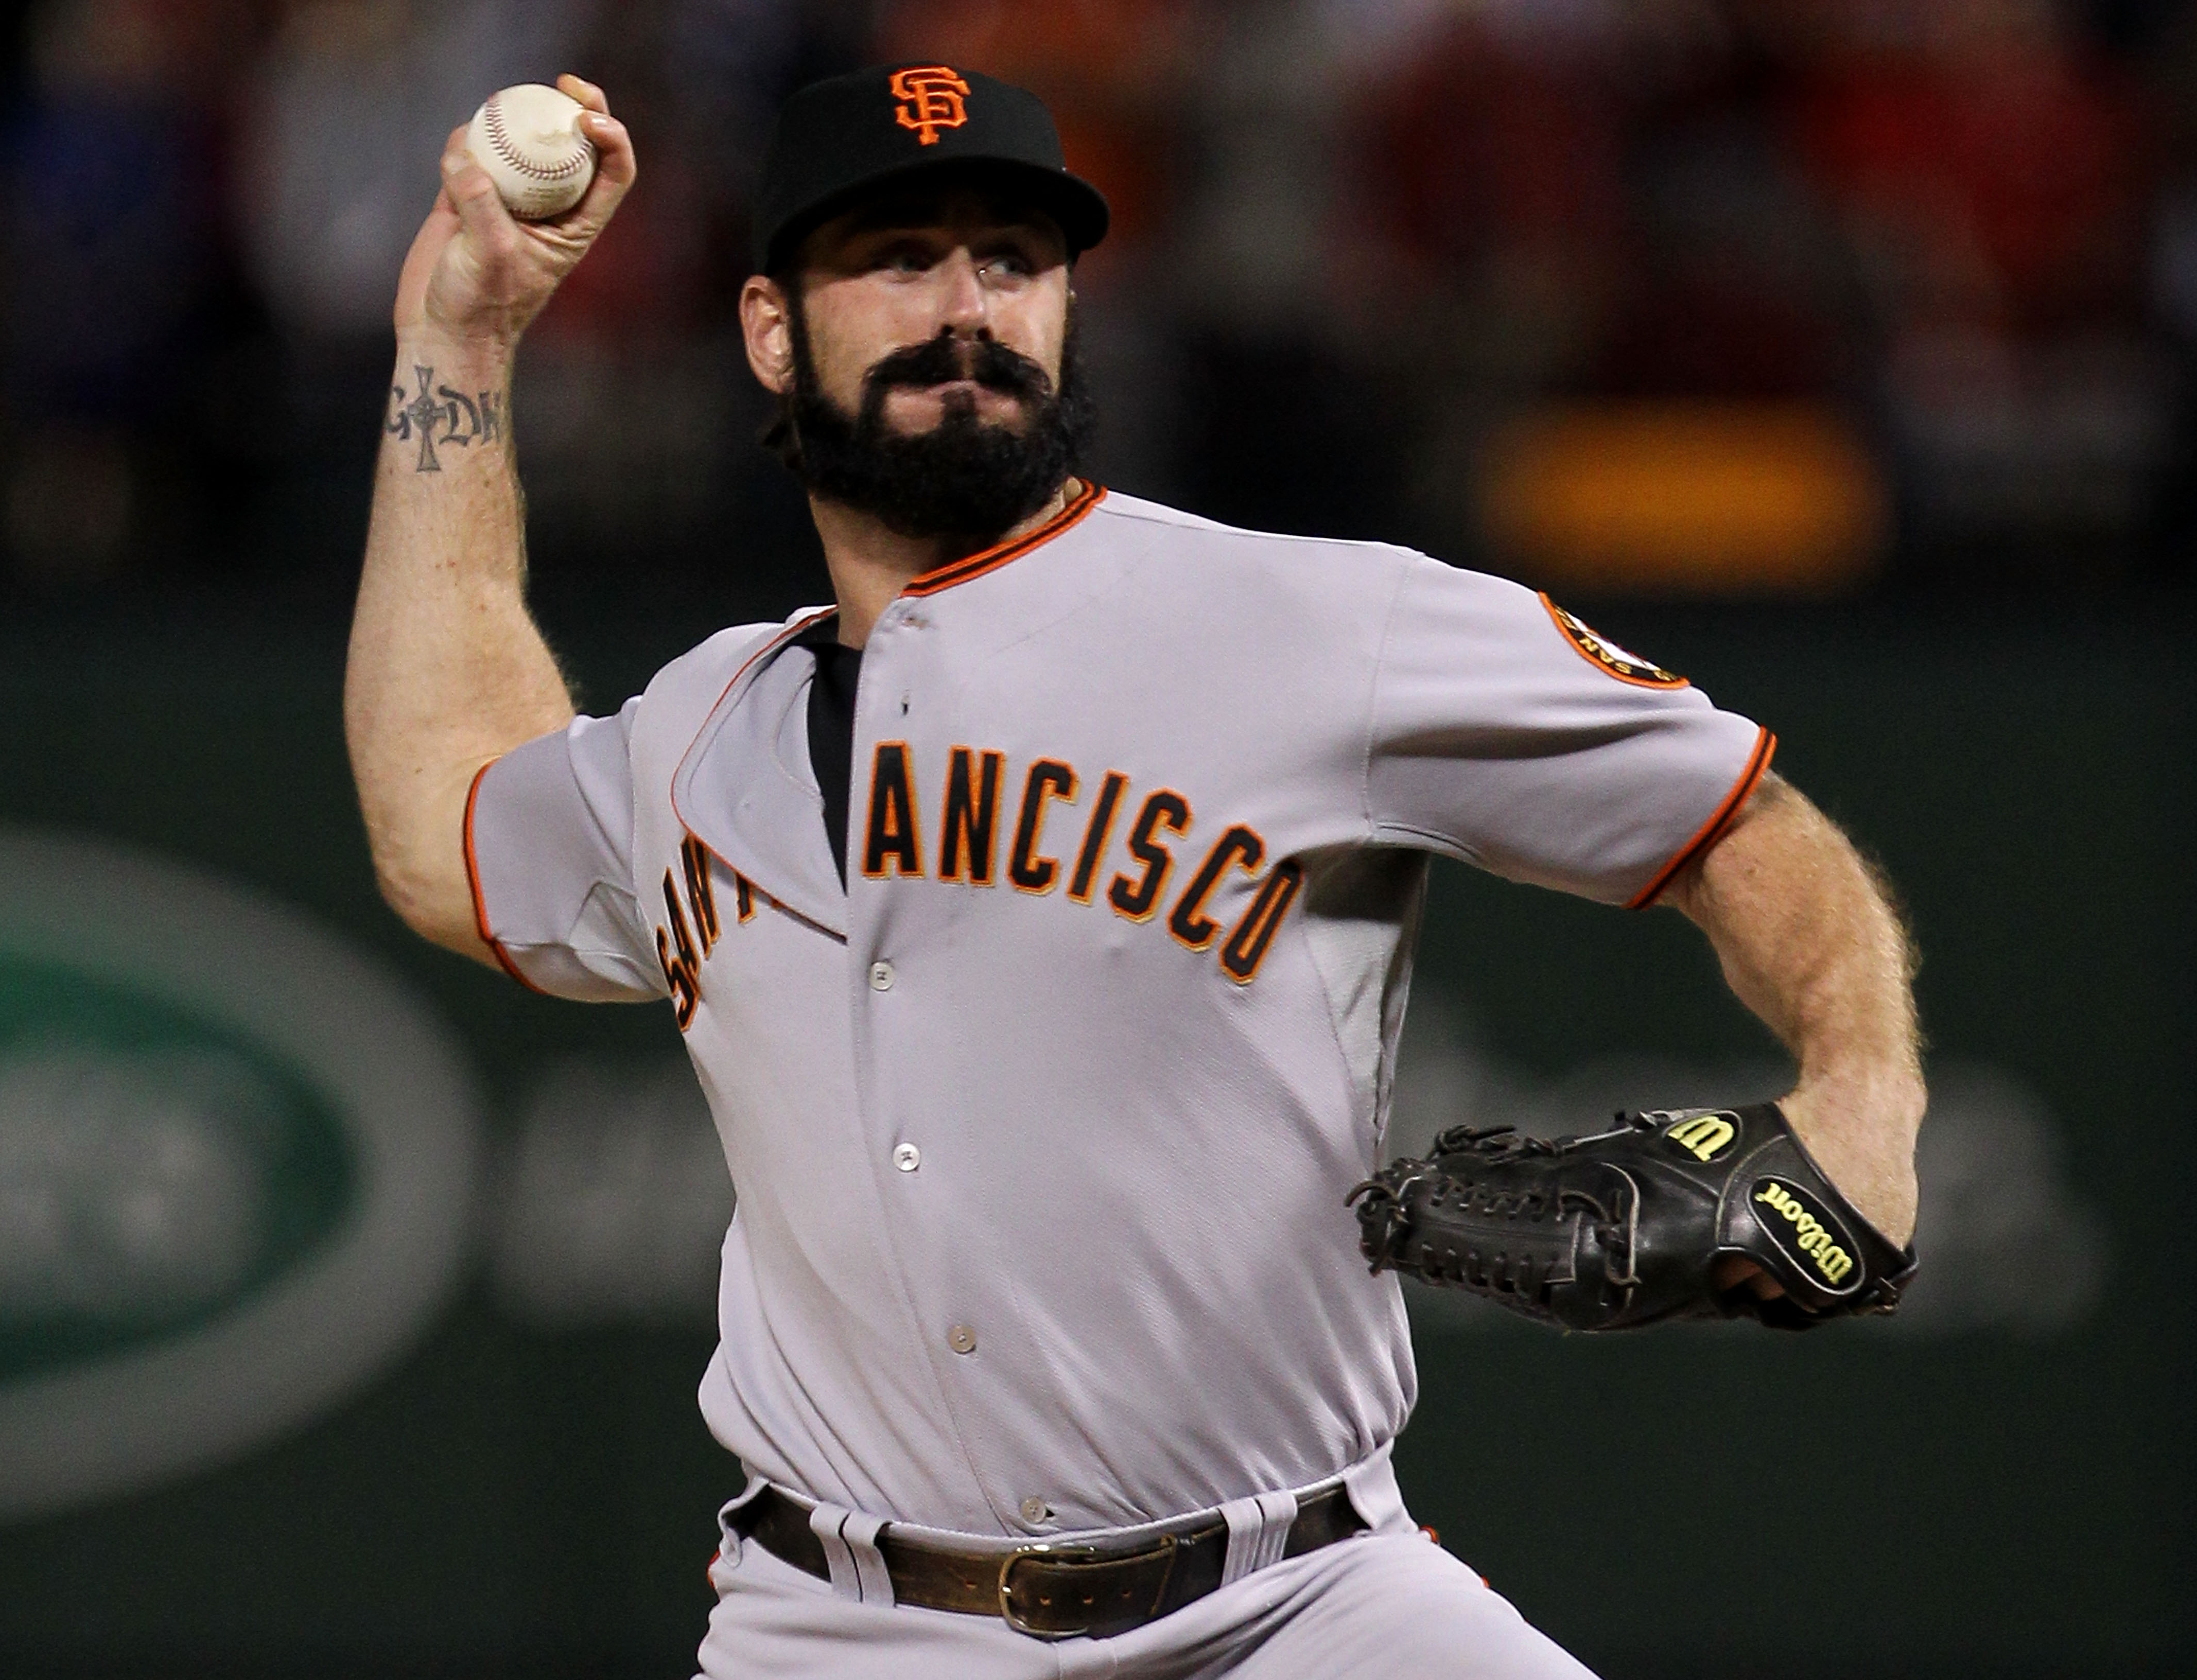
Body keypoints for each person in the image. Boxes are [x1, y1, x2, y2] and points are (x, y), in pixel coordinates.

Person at [345, 63, 1924, 1680]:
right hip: (841, 1630)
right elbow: (443, 826)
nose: (967, 306)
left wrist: (1864, 1098)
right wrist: (459, 342)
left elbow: (1737, 821)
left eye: (1016, 262)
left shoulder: (1312, 624)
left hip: (1306, 1606)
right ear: (770, 328)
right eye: (899, 256)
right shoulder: (696, 730)